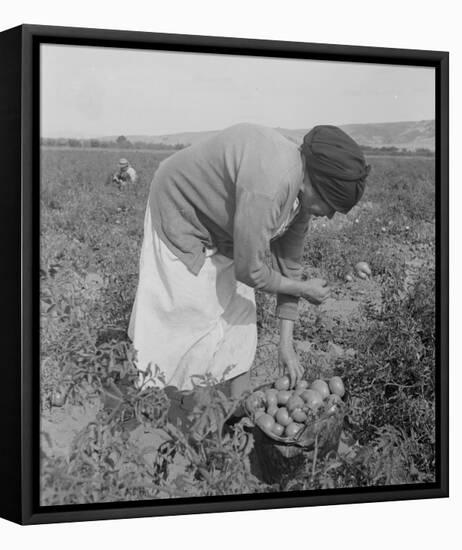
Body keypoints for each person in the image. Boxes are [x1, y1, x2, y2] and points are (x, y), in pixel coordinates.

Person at [128, 123, 370, 405]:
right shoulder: (271, 183)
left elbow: (288, 267)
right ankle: (173, 408)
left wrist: (286, 345)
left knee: (239, 314)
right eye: (330, 205)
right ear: (315, 183)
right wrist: (303, 289)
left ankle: (238, 405)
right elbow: (250, 270)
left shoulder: (301, 196)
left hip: (225, 227)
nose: (328, 216)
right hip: (181, 209)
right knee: (189, 317)